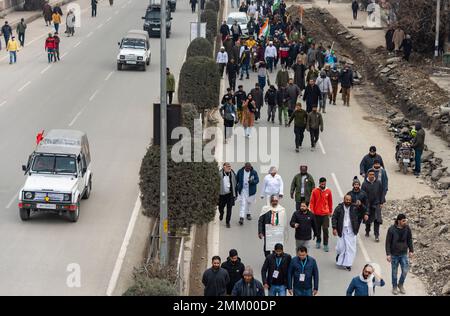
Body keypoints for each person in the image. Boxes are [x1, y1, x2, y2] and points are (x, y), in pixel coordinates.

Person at [332, 195, 367, 271]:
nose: (348, 201)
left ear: (351, 200)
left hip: (351, 230)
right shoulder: (339, 208)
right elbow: (334, 217)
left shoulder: (355, 207)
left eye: (349, 200)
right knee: (341, 247)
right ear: (344, 200)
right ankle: (339, 255)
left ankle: (348, 264)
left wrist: (361, 205)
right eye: (346, 200)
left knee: (350, 248)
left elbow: (364, 210)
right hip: (341, 229)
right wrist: (334, 228)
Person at [386, 214, 414, 295]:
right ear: (398, 221)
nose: (405, 222)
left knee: (405, 270)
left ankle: (400, 284)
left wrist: (411, 250)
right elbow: (387, 242)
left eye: (405, 220)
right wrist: (388, 254)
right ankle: (394, 286)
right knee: (394, 272)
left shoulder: (407, 228)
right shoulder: (391, 229)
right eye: (403, 221)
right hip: (394, 255)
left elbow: (409, 239)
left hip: (403, 254)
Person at [309, 177, 333, 252]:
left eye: (324, 183)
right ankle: (318, 241)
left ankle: (325, 244)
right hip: (316, 214)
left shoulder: (328, 191)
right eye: (322, 183)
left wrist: (330, 211)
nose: (323, 184)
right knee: (317, 229)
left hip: (325, 214)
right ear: (319, 183)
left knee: (325, 229)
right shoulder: (314, 191)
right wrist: (312, 211)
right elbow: (312, 202)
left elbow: (330, 202)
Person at [362, 169, 385, 242]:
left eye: (373, 174)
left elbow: (382, 193)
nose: (372, 176)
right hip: (367, 204)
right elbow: (362, 195)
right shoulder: (364, 184)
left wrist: (381, 202)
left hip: (376, 204)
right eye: (370, 174)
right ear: (367, 175)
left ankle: (376, 235)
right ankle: (367, 231)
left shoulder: (378, 183)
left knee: (377, 220)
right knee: (368, 219)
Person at [218, 163, 237, 228]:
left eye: (230, 166)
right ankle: (221, 213)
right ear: (224, 167)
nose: (229, 168)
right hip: (222, 195)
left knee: (229, 209)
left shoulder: (232, 174)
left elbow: (235, 184)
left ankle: (227, 222)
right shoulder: (219, 174)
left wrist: (235, 194)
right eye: (228, 167)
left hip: (230, 194)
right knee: (221, 207)